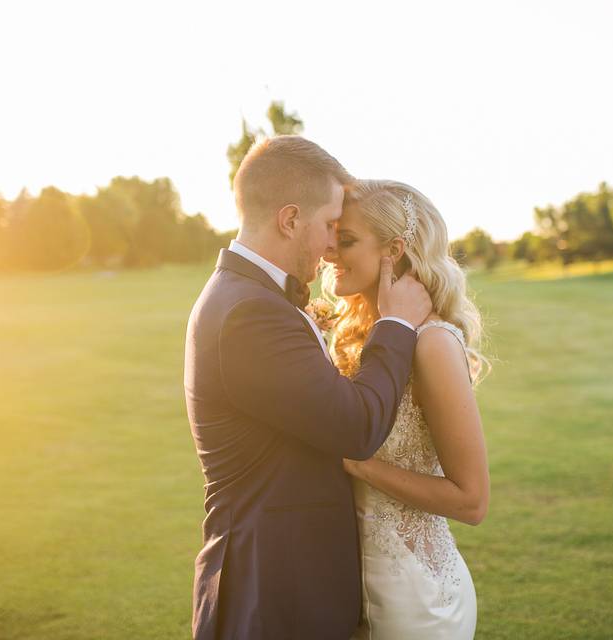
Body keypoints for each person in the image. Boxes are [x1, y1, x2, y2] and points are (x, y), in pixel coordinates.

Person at [184, 137, 434, 639]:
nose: (329, 244)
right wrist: (397, 325)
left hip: (288, 580)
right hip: (273, 590)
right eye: (328, 226)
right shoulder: (248, 312)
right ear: (290, 219)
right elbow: (356, 425)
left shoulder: (249, 297)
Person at [321, 180, 491, 639]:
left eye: (347, 240)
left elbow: (472, 500)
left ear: (393, 250)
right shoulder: (360, 336)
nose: (329, 250)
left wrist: (360, 464)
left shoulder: (432, 344)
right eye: (331, 235)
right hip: (353, 586)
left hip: (415, 600)